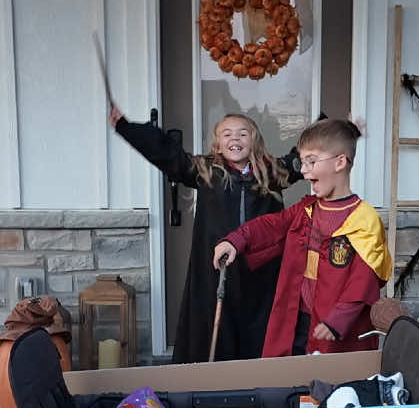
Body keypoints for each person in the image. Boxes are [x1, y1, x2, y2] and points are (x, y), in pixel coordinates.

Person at [110, 107, 300, 363]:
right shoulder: (206, 171)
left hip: (262, 272)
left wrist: (346, 130)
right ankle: (215, 382)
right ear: (218, 145)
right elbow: (167, 154)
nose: (235, 139)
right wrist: (125, 126)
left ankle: (258, 381)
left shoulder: (272, 172)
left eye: (243, 134)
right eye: (227, 134)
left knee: (260, 325)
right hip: (216, 268)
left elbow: (309, 155)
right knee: (217, 326)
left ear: (255, 141)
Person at [213, 118, 391, 357]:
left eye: (312, 161)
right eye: (302, 162)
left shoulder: (364, 221)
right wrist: (236, 239)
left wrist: (337, 319)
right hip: (297, 320)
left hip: (335, 327)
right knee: (290, 381)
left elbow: (363, 281)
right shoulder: (307, 210)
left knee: (332, 386)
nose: (304, 170)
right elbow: (272, 224)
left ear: (340, 162)